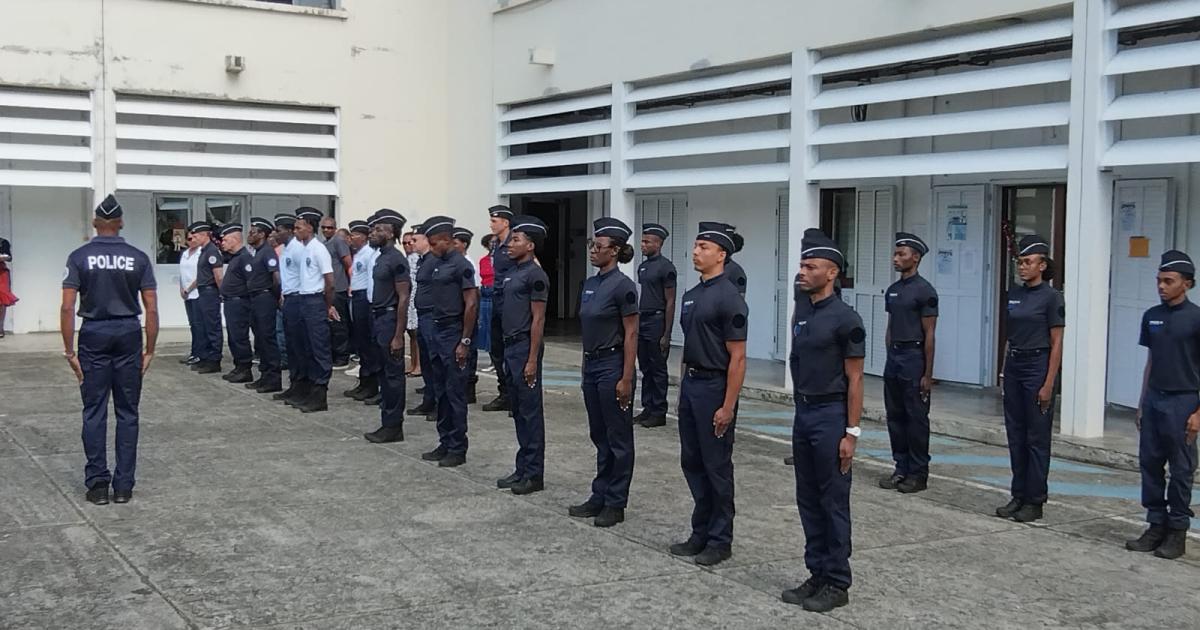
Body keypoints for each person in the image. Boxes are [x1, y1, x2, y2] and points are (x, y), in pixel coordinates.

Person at [781, 228, 865, 613]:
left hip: (832, 414)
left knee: (832, 500)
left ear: (831, 273)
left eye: (810, 266)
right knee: (808, 498)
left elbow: (856, 379)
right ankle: (816, 571)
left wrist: (851, 432)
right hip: (805, 412)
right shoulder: (804, 312)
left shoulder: (846, 319)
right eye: (801, 264)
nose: (802, 271)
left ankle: (837, 580)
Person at [60, 194, 158, 505]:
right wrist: (150, 349)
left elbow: (67, 307)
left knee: (94, 411)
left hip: (94, 333)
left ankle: (98, 485)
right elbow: (152, 310)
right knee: (128, 412)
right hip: (128, 332)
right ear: (121, 223)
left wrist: (69, 351)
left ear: (94, 223)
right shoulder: (138, 258)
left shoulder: (79, 257)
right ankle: (124, 486)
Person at [668, 221, 748, 568]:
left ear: (721, 254)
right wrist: (682, 389)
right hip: (693, 385)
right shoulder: (692, 295)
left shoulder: (729, 297)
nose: (696, 252)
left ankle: (720, 538)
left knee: (716, 465)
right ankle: (700, 531)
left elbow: (738, 357)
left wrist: (728, 405)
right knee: (692, 461)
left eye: (703, 247)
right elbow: (688, 347)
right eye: (696, 246)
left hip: (716, 386)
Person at [1125, 250, 1200, 560]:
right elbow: (1151, 361)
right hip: (1155, 399)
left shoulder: (1196, 318)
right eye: (1159, 281)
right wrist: (1142, 404)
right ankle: (1156, 524)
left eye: (1169, 281)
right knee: (1150, 464)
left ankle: (1177, 531)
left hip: (1184, 400)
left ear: (1187, 284)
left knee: (1181, 469)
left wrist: (1198, 412)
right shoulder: (1152, 316)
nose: (1161, 286)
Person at [569, 218, 639, 528]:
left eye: (599, 247)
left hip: (613, 366)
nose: (593, 251)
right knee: (599, 434)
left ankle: (615, 502)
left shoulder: (623, 286)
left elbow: (632, 333)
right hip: (592, 365)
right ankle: (599, 494)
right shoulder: (591, 283)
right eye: (592, 245)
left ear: (616, 251)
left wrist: (626, 377)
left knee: (618, 437)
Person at [996, 234, 1064, 523]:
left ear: (1042, 265)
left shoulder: (1052, 297)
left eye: (1027, 262)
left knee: (1036, 437)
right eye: (1019, 262)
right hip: (1015, 365)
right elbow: (1009, 336)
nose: (1022, 267)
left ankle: (1035, 499)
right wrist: (1002, 371)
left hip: (1037, 365)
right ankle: (1019, 494)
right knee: (1016, 434)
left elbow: (1057, 341)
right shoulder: (1014, 293)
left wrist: (1049, 383)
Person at [417, 217, 479, 468]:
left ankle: (457, 447)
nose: (431, 248)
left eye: (434, 244)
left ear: (446, 240)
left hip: (454, 330)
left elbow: (471, 303)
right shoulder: (437, 263)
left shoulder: (460, 265)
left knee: (455, 392)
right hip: (437, 329)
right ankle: (444, 441)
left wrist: (464, 340)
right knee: (440, 389)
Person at [879, 232, 938, 494]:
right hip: (895, 357)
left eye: (901, 254)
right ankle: (900, 466)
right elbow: (891, 327)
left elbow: (930, 334)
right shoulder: (893, 291)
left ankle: (918, 472)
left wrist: (927, 373)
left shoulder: (925, 291)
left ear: (915, 258)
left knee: (916, 418)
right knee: (895, 416)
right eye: (895, 253)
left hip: (914, 356)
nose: (896, 258)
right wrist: (889, 354)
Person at [495, 215, 550, 495]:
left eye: (516, 240)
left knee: (530, 412)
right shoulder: (512, 272)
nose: (509, 244)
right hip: (510, 346)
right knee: (517, 410)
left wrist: (531, 359)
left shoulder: (535, 275)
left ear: (530, 246)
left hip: (525, 346)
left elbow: (538, 320)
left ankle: (534, 473)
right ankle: (522, 467)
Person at [362, 209, 411, 444]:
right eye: (373, 228)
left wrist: (398, 335)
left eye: (379, 229)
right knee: (383, 373)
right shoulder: (382, 255)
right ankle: (387, 422)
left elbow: (403, 297)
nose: (373, 232)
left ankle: (393, 426)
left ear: (392, 233)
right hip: (378, 318)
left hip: (390, 320)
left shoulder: (396, 259)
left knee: (393, 376)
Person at [290, 207, 339, 413]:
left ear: (310, 227)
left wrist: (327, 305)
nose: (295, 231)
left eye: (298, 227)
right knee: (306, 347)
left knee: (319, 348)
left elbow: (330, 281)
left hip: (315, 301)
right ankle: (310, 391)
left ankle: (320, 394)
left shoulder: (319, 249)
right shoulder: (305, 249)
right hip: (304, 300)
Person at [635, 223, 677, 428]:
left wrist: (667, 333)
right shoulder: (643, 267)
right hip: (642, 319)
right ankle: (647, 408)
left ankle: (659, 410)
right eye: (642, 241)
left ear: (658, 244)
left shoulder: (666, 267)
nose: (642, 245)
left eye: (647, 242)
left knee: (658, 367)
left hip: (657, 319)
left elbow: (670, 300)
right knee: (645, 366)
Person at [343, 219, 382, 401]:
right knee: (361, 344)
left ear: (364, 237)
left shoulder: (370, 254)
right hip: (357, 298)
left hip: (365, 300)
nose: (351, 239)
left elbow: (371, 281)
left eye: (354, 235)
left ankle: (371, 384)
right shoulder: (359, 253)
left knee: (368, 345)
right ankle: (364, 381)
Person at [483, 205, 516, 412]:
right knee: (497, 351)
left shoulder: (515, 243)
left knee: (511, 351)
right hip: (496, 300)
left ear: (505, 222)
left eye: (495, 221)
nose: (491, 224)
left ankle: (514, 395)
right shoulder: (495, 244)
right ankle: (504, 392)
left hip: (510, 303)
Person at [244, 217, 282, 393]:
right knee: (260, 338)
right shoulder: (257, 252)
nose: (249, 235)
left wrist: (274, 297)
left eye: (253, 232)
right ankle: (264, 375)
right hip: (255, 298)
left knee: (267, 338)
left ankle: (273, 378)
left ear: (262, 234)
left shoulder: (267, 252)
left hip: (265, 298)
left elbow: (276, 278)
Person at [273, 214, 307, 405]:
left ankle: (301, 386)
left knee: (298, 346)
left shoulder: (297, 250)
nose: (276, 234)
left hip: (298, 298)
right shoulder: (286, 249)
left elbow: (306, 276)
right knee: (291, 346)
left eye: (279, 230)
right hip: (289, 298)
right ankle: (294, 385)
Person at [217, 223, 254, 383]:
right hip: (231, 302)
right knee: (233, 336)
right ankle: (238, 366)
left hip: (240, 302)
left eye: (225, 240)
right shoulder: (235, 258)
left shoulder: (244, 257)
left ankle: (245, 368)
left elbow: (251, 281)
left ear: (233, 240)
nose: (222, 243)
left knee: (239, 336)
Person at [189, 221, 224, 374]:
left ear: (204, 235)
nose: (192, 238)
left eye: (195, 236)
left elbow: (218, 275)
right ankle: (205, 357)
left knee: (212, 326)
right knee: (203, 325)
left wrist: (222, 292)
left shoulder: (212, 251)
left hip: (210, 292)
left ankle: (214, 359)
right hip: (203, 292)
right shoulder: (204, 251)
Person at [320, 216, 353, 368]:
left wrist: (350, 284)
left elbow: (348, 263)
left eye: (330, 227)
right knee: (329, 324)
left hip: (339, 288)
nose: (327, 230)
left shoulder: (338, 242)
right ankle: (333, 353)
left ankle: (342, 356)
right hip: (327, 289)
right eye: (324, 227)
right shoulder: (323, 243)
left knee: (339, 323)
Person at [453, 227, 480, 403]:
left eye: (455, 243)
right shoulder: (454, 263)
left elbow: (474, 294)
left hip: (467, 313)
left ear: (464, 244)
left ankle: (469, 388)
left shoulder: (467, 265)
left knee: (469, 350)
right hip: (457, 313)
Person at [177, 233, 201, 364]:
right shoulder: (185, 253)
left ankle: (200, 353)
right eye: (190, 238)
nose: (193, 241)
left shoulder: (201, 253)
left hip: (197, 292)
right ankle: (194, 352)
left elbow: (201, 275)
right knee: (193, 325)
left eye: (195, 238)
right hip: (187, 294)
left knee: (199, 325)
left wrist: (189, 288)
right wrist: (182, 288)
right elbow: (181, 273)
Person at [404, 230, 424, 377]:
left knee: (416, 333)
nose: (407, 245)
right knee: (411, 333)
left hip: (415, 298)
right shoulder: (407, 258)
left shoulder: (417, 258)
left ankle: (419, 365)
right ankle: (413, 363)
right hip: (408, 299)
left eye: (410, 242)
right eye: (404, 243)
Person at [478, 233, 495, 374]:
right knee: (485, 328)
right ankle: (491, 359)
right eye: (490, 243)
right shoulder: (484, 260)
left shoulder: (502, 259)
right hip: (484, 293)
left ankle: (497, 360)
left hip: (495, 294)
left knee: (494, 328)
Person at [0, 235, 14, 338]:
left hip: (1, 273)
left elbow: (8, 257)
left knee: (2, 301)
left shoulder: (3, 242)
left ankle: (0, 327)